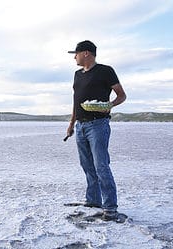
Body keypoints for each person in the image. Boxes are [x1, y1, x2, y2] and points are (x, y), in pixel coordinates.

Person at [66, 40, 127, 221]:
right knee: (87, 165)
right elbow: (76, 101)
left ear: (86, 53)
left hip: (98, 125)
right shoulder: (77, 74)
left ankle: (110, 208)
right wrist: (71, 123)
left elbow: (121, 95)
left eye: (75, 54)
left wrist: (109, 105)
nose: (74, 58)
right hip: (81, 126)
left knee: (101, 166)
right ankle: (93, 200)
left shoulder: (105, 71)